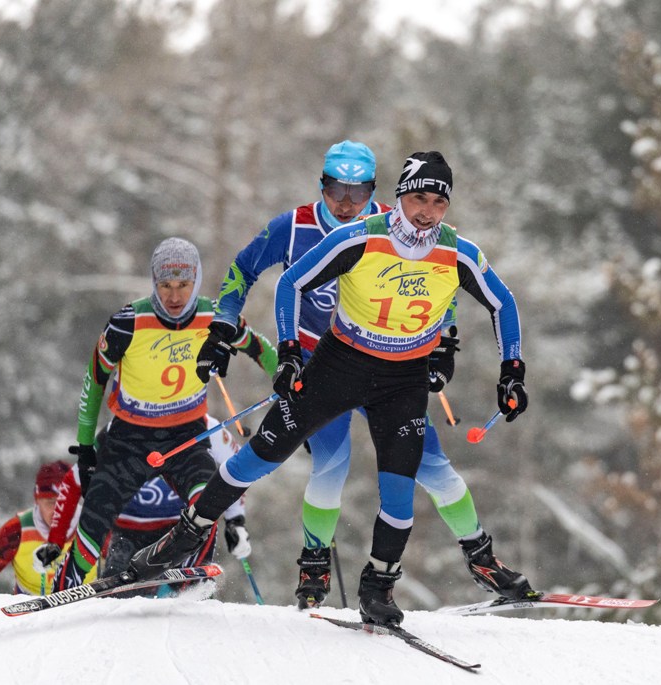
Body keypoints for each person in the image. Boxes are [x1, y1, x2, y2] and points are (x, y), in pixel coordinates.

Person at [128, 151, 530, 626]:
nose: (426, 211)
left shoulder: (458, 250)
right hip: (339, 366)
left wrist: (510, 369)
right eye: (418, 197)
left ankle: (379, 586)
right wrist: (289, 349)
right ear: (399, 196)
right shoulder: (359, 237)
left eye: (438, 202)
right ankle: (188, 533)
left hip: (402, 381)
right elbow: (290, 283)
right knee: (265, 453)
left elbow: (501, 303)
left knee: (401, 490)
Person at [52, 237, 274, 590]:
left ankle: (188, 582)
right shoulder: (127, 322)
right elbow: (94, 379)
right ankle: (66, 585)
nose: (174, 297)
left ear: (196, 281)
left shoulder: (216, 317)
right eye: (165, 286)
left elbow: (259, 347)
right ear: (154, 283)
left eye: (183, 286)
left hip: (186, 438)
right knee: (94, 517)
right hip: (127, 440)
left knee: (208, 500)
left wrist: (290, 380)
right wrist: (84, 445)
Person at [37, 421, 251, 582]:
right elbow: (73, 482)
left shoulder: (207, 427)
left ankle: (198, 599)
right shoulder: (118, 429)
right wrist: (55, 541)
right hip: (126, 532)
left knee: (200, 523)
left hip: (179, 530)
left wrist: (235, 521)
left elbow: (236, 469)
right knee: (114, 584)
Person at [0, 460, 73, 595]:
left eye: (65, 501)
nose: (59, 510)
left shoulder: (92, 526)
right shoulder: (16, 530)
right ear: (37, 501)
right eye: (51, 502)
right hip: (31, 610)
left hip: (82, 609)